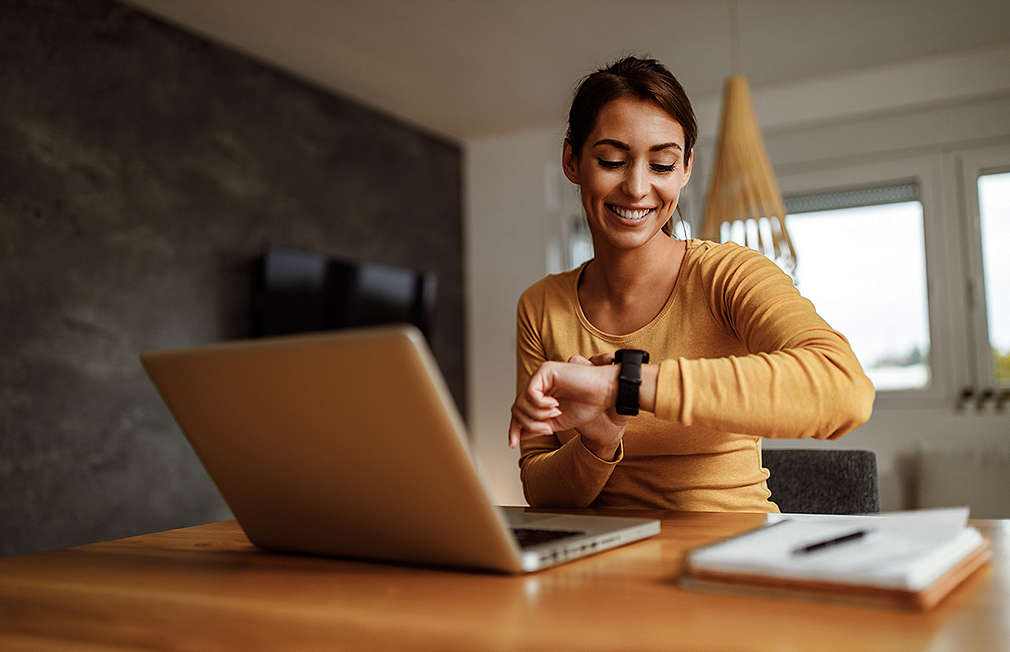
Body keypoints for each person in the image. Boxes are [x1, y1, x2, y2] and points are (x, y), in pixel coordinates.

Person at [507, 56, 875, 512]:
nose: (638, 187)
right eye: (612, 160)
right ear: (572, 161)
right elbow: (541, 492)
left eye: (662, 165)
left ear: (686, 169)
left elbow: (844, 389)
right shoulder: (541, 305)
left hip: (730, 554)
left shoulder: (729, 275)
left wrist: (624, 385)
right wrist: (597, 443)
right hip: (606, 564)